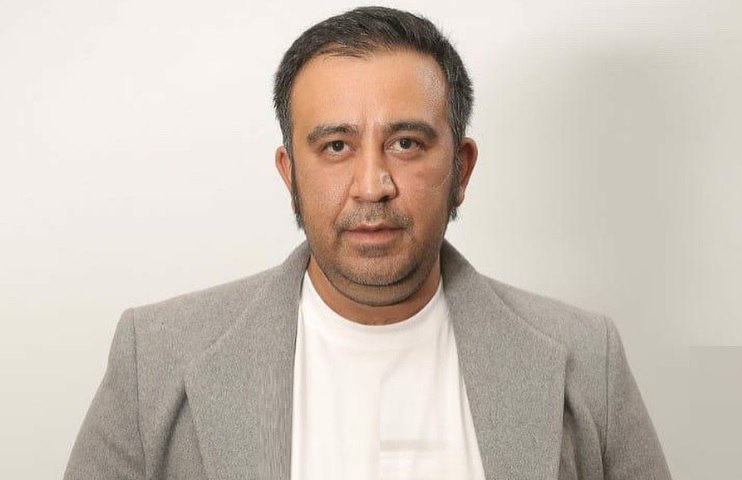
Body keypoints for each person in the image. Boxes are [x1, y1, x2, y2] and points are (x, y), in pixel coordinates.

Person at [64, 6, 672, 480]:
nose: (372, 185)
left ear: (460, 169)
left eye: (406, 143)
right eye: (336, 146)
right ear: (289, 173)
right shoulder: (154, 358)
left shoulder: (589, 359)